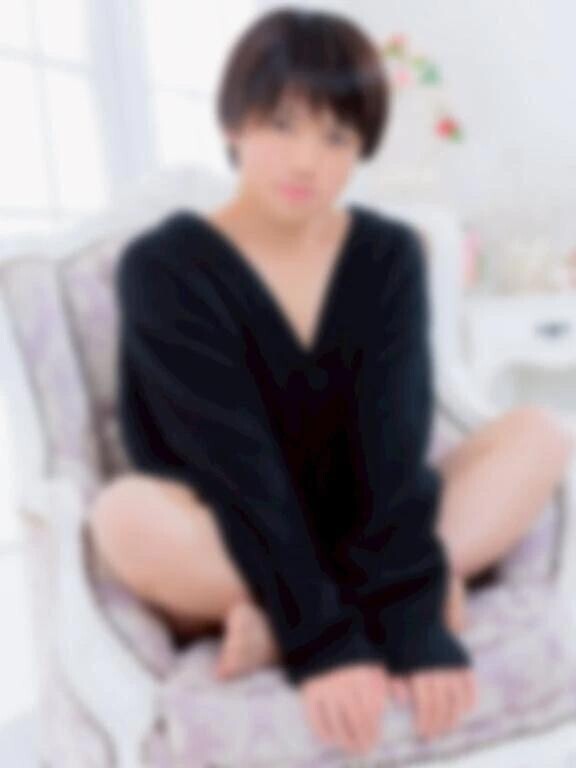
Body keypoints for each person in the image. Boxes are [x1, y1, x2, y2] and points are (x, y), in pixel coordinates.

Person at [88, 7, 575, 759]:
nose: (306, 161)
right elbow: (233, 465)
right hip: (229, 530)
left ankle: (285, 622)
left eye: (337, 137)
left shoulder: (387, 255)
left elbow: (393, 448)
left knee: (540, 432)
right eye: (283, 124)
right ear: (234, 124)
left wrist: (413, 619)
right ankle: (321, 608)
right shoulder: (165, 266)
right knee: (123, 515)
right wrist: (323, 641)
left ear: (361, 150)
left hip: (366, 525)